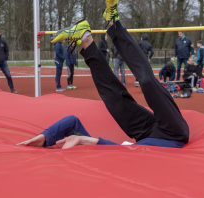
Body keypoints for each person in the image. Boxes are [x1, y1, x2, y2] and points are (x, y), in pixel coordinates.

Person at [17, 0, 189, 149]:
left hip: (148, 137)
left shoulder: (87, 150)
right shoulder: (98, 157)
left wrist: (47, 136)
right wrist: (84, 139)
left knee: (127, 91)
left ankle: (89, 35)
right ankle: (102, 28)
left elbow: (72, 122)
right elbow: (121, 151)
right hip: (172, 134)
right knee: (132, 90)